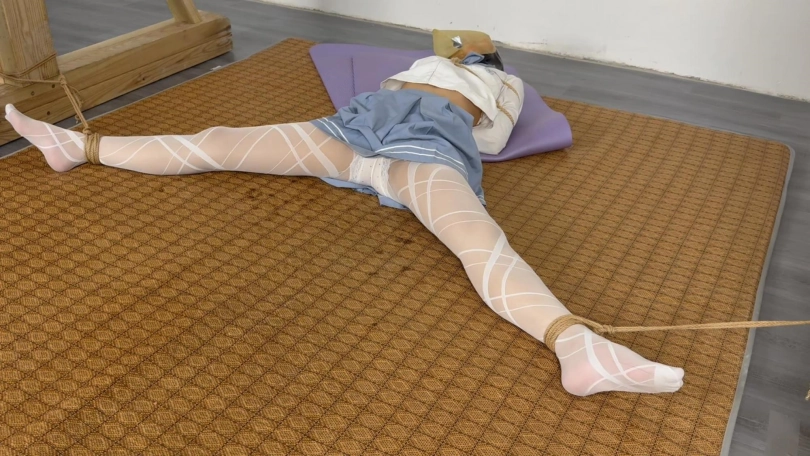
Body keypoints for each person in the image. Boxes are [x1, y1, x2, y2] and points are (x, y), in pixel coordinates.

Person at [4, 30, 684, 396]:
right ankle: (77, 146)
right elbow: (409, 66)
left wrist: (457, 99)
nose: (451, 46)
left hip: (425, 149)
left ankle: (578, 347)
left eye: (463, 45)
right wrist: (427, 73)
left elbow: (493, 138)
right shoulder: (418, 62)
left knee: (477, 239)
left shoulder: (504, 82)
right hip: (349, 135)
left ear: (484, 55)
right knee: (220, 142)